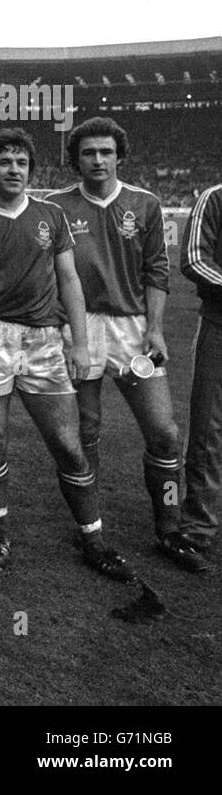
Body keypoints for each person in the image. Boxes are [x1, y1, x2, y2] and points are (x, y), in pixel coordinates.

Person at [0, 127, 133, 578]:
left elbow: (69, 280)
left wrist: (81, 344)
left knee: (69, 445)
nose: (15, 170)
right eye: (5, 162)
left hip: (44, 340)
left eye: (22, 163)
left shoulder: (51, 215)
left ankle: (93, 538)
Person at [50, 117, 206, 572]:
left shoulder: (146, 203)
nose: (97, 160)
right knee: (87, 430)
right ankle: (90, 530)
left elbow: (157, 270)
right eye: (88, 153)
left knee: (164, 432)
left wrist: (155, 328)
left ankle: (170, 527)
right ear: (75, 159)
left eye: (106, 152)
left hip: (133, 330)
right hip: (79, 329)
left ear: (120, 156)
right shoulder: (57, 207)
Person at [180, 181, 222, 562]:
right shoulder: (215, 197)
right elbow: (194, 259)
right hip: (220, 326)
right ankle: (199, 524)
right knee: (209, 430)